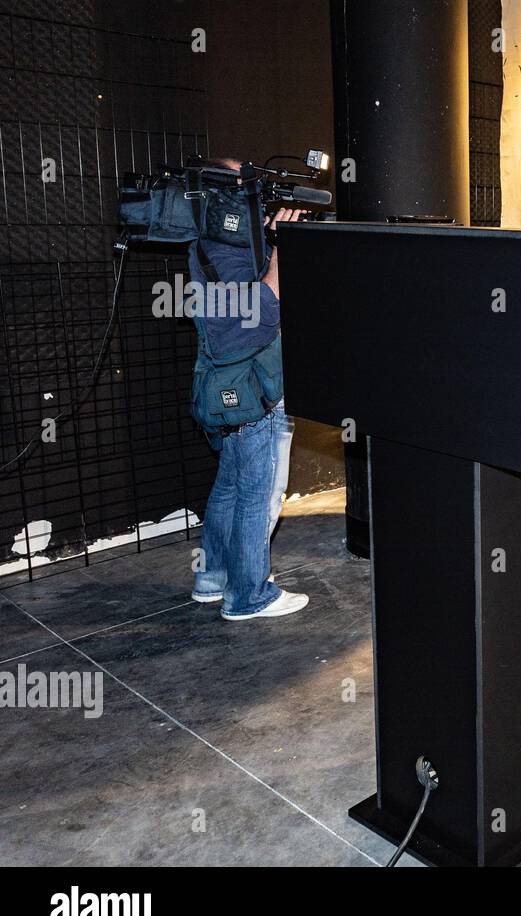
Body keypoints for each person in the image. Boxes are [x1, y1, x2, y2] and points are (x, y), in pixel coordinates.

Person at [189, 159, 308, 621]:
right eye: (245, 184)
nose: (255, 191)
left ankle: (213, 577)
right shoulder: (230, 247)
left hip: (225, 381)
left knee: (230, 487)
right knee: (259, 493)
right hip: (254, 384)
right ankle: (248, 595)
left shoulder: (210, 241)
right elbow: (262, 308)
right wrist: (281, 249)